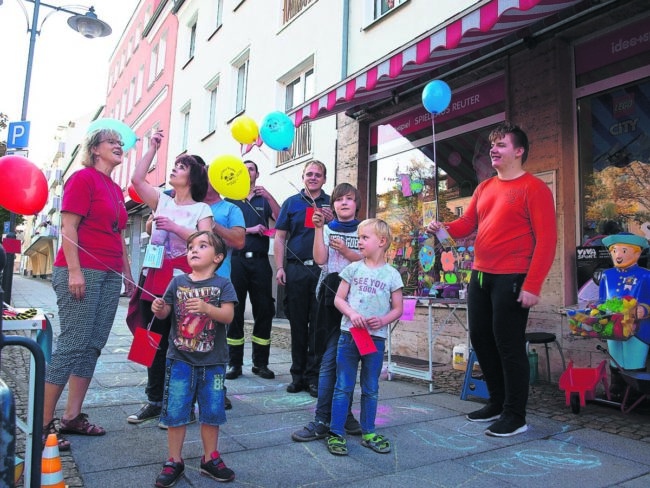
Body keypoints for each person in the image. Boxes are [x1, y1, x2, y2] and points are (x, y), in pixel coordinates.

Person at [426, 121, 557, 437]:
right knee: (481, 340)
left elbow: (548, 240)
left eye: (501, 145)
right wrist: (441, 226)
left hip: (512, 277)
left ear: (519, 151)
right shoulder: (484, 188)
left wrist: (532, 284)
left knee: (508, 345)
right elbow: (466, 224)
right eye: (492, 145)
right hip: (480, 277)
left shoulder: (534, 188)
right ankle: (496, 403)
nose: (493, 150)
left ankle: (516, 415)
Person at [42, 128, 136, 450]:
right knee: (73, 343)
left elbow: (117, 235)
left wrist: (127, 274)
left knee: (93, 344)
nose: (118, 146)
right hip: (82, 271)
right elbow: (68, 226)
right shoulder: (82, 179)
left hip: (109, 273)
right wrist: (74, 270)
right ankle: (41, 427)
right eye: (112, 142)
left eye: (120, 143)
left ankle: (72, 417)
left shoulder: (114, 187)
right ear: (95, 149)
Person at [127, 133, 214, 425]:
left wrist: (176, 227)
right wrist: (152, 148)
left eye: (181, 166)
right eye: (174, 164)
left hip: (185, 282)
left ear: (192, 178)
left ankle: (182, 403)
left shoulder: (203, 209)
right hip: (155, 277)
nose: (174, 169)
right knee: (151, 336)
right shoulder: (161, 201)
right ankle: (153, 400)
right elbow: (138, 181)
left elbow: (206, 243)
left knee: (184, 341)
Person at [151, 231, 237, 486]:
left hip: (214, 363)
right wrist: (160, 307)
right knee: (176, 411)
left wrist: (207, 308)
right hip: (179, 360)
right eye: (190, 247)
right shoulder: (178, 283)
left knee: (212, 411)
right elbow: (166, 311)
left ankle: (210, 458)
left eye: (202, 246)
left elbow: (229, 316)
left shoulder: (223, 284)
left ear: (218, 257)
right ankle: (174, 460)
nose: (194, 250)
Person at [292, 183, 363, 441]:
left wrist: (345, 250)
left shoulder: (365, 229)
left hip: (359, 302)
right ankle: (322, 418)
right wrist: (319, 228)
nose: (344, 203)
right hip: (330, 299)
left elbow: (372, 258)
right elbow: (320, 259)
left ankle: (344, 415)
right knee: (329, 359)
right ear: (332, 205)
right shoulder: (327, 228)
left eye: (349, 199)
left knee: (349, 361)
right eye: (339, 199)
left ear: (357, 204)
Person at [326, 218, 404, 456]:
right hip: (350, 336)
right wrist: (352, 313)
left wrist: (382, 320)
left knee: (370, 387)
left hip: (375, 339)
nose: (359, 242)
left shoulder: (392, 275)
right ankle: (336, 432)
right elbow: (338, 299)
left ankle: (368, 431)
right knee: (343, 385)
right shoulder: (353, 268)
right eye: (359, 237)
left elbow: (398, 308)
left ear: (382, 242)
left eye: (364, 238)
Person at [274, 160, 333, 395]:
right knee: (297, 325)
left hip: (323, 271)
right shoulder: (291, 203)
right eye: (309, 174)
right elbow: (279, 238)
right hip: (296, 270)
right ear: (303, 177)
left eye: (318, 174)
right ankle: (297, 376)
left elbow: (342, 231)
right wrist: (279, 268)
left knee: (319, 326)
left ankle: (313, 377)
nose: (313, 177)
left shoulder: (331, 205)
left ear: (324, 179)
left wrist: (332, 219)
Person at [225, 160, 280, 380]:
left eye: (251, 168)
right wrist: (249, 230)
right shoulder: (230, 200)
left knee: (264, 310)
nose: (248, 172)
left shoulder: (262, 199)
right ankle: (234, 364)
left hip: (260, 261)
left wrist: (268, 197)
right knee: (235, 311)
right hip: (236, 261)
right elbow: (225, 232)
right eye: (244, 169)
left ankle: (261, 363)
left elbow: (281, 219)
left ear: (257, 173)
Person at [599, 233, 650, 399]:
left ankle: (635, 394)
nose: (618, 255)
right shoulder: (607, 275)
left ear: (637, 253)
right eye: (614, 250)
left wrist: (644, 309)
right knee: (615, 358)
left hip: (638, 329)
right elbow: (601, 300)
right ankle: (617, 390)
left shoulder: (645, 275)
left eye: (623, 250)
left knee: (633, 360)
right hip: (612, 324)